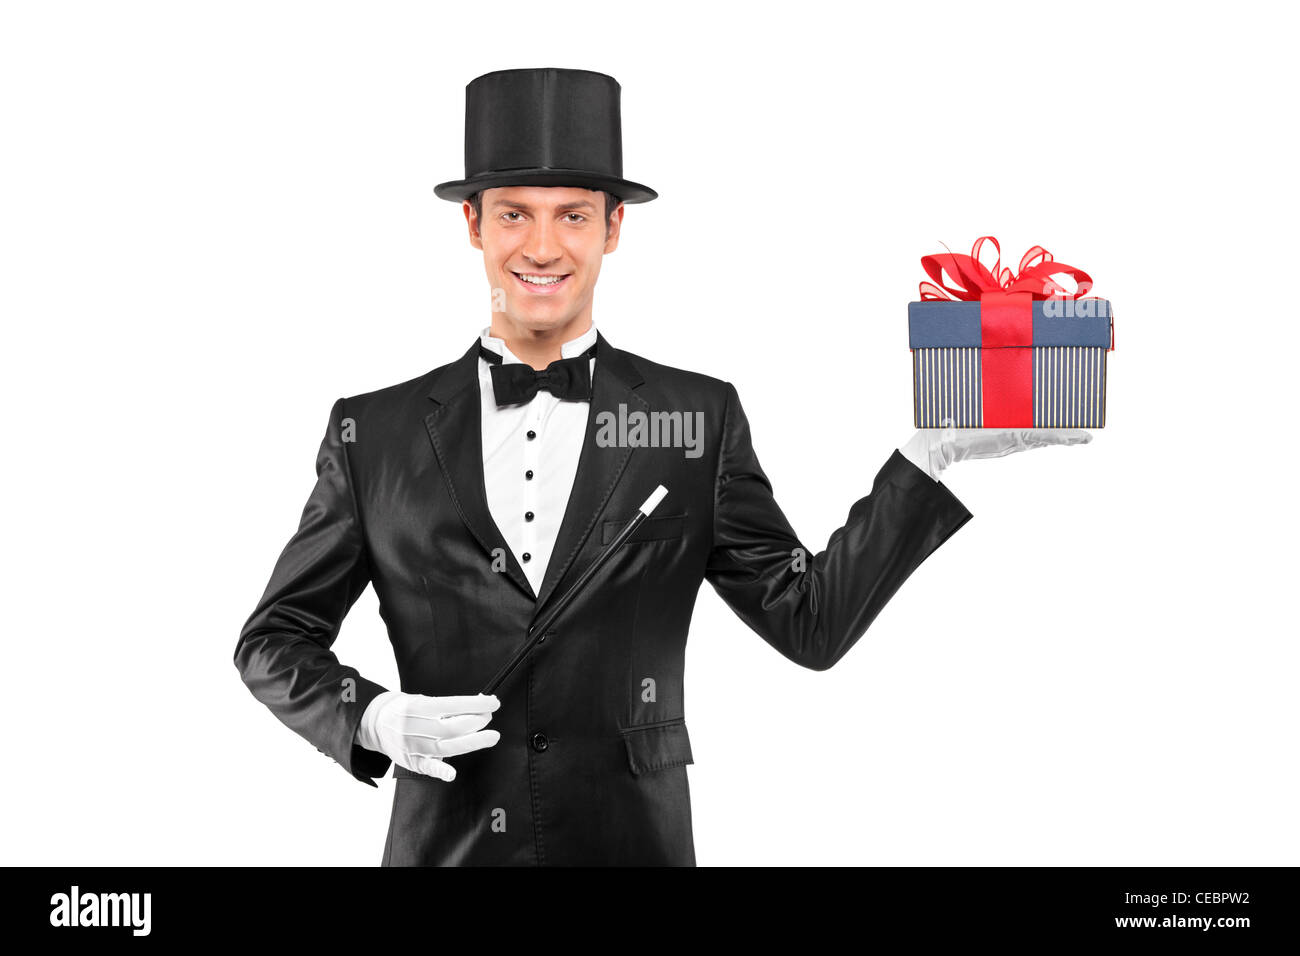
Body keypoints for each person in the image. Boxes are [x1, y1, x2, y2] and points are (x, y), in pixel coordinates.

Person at [234, 67, 1089, 866]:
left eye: (572, 214)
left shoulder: (696, 420)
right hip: (445, 849)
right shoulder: (372, 431)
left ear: (613, 228)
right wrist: (376, 719)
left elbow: (809, 621)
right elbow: (274, 639)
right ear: (473, 224)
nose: (542, 246)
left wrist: (928, 455)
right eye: (514, 214)